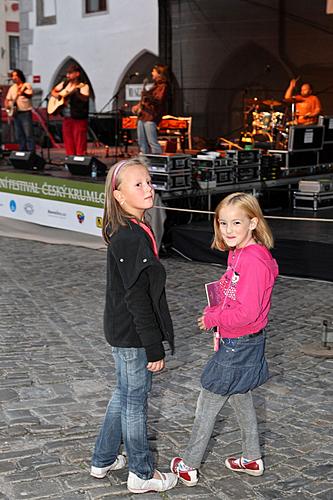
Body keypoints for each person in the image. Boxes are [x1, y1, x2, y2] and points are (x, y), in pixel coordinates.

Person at [170, 192, 279, 486]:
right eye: (222, 223)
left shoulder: (254, 261)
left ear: (253, 223)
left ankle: (189, 464)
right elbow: (230, 285)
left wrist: (213, 318)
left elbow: (247, 311)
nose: (228, 230)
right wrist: (217, 301)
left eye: (236, 223)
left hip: (240, 342)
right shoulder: (238, 253)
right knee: (240, 395)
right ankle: (252, 457)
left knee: (209, 399)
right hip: (238, 341)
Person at [90, 157, 177, 494]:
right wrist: (153, 346)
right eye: (138, 184)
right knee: (135, 402)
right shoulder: (130, 237)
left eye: (148, 181)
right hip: (132, 334)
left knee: (124, 394)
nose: (148, 188)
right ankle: (142, 473)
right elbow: (137, 298)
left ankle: (103, 458)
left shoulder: (134, 229)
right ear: (119, 196)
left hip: (123, 330)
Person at [51, 63, 90, 156]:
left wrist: (75, 93)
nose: (68, 75)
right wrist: (59, 96)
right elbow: (53, 91)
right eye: (67, 73)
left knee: (79, 140)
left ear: (77, 74)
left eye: (70, 73)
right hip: (67, 117)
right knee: (68, 139)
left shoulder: (83, 86)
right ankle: (70, 158)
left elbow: (85, 99)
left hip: (78, 117)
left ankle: (80, 158)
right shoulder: (65, 84)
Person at [132, 64, 169, 154]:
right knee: (142, 142)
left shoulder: (163, 86)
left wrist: (146, 94)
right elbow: (146, 100)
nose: (152, 73)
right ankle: (144, 162)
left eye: (154, 71)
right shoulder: (155, 86)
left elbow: (158, 101)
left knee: (152, 142)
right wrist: (138, 106)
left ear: (159, 73)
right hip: (143, 116)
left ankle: (159, 162)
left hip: (151, 116)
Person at [5, 69, 35, 151]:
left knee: (28, 135)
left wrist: (23, 93)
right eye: (13, 76)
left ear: (20, 76)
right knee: (19, 135)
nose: (14, 78)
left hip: (25, 113)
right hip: (16, 114)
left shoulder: (26, 85)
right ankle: (22, 154)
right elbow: (7, 99)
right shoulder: (12, 88)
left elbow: (30, 94)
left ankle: (31, 154)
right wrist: (7, 106)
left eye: (15, 75)